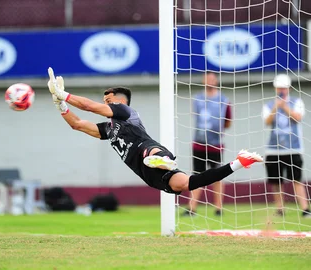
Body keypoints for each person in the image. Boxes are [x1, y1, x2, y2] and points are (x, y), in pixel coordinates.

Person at [47, 67, 263, 198]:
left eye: (108, 100)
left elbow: (88, 107)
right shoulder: (109, 128)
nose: (105, 103)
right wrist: (61, 106)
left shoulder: (124, 111)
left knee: (151, 153)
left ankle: (162, 160)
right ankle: (239, 162)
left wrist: (64, 94)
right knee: (189, 183)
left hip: (149, 151)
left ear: (120, 101)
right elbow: (78, 124)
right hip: (147, 175)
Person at [183, 72, 232, 217]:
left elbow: (228, 121)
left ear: (216, 81)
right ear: (203, 81)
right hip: (199, 143)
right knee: (197, 175)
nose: (210, 81)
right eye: (207, 79)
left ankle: (218, 208)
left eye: (212, 79)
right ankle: (192, 208)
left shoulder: (224, 100)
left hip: (216, 144)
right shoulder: (197, 99)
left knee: (217, 176)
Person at [262, 74, 310, 218]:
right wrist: (276, 107)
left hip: (293, 148)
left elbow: (298, 118)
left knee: (296, 179)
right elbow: (267, 121)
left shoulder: (296, 102)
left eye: (283, 87)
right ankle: (280, 209)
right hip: (273, 149)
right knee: (276, 182)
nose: (281, 90)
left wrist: (285, 107)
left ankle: (305, 208)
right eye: (279, 87)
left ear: (288, 88)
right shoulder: (269, 105)